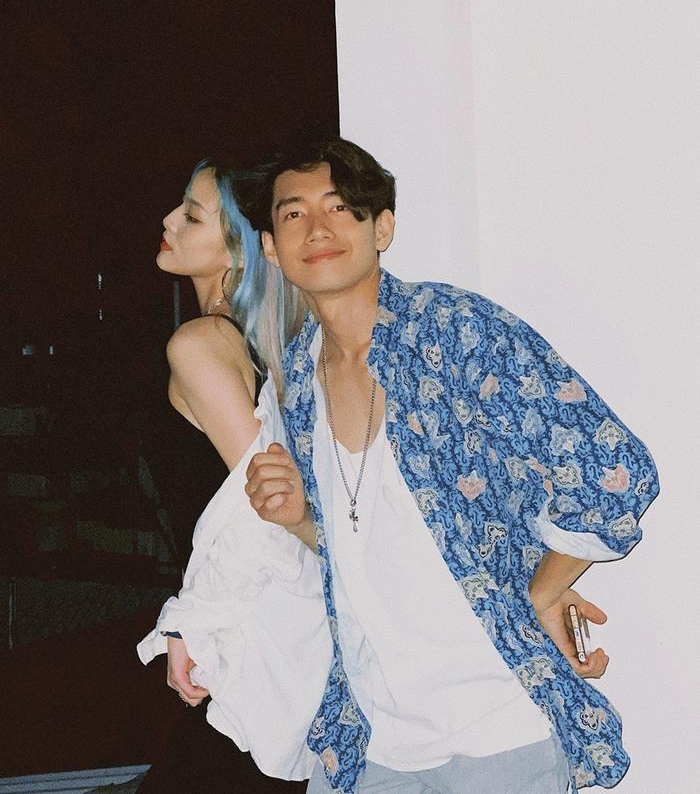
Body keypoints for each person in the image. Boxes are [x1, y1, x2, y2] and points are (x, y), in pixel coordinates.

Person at [244, 135, 659, 794]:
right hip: (372, 737)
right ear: (271, 246)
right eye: (294, 213)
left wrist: (541, 592)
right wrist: (298, 519)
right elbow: (372, 544)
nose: (317, 227)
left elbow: (613, 469)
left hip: (496, 734)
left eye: (341, 207)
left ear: (382, 228)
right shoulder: (296, 372)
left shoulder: (455, 330)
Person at [137, 159, 330, 792]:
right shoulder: (249, 344)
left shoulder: (198, 344)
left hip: (250, 644)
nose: (169, 220)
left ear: (240, 251)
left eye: (192, 216)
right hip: (267, 635)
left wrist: (194, 621)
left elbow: (262, 509)